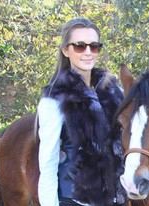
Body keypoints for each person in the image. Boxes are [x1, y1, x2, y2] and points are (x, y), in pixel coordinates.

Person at [37, 17, 124, 206]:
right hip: (75, 199)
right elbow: (48, 162)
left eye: (94, 46)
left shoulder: (115, 92)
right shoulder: (54, 99)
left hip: (116, 198)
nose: (87, 52)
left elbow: (144, 121)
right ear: (66, 50)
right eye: (79, 46)